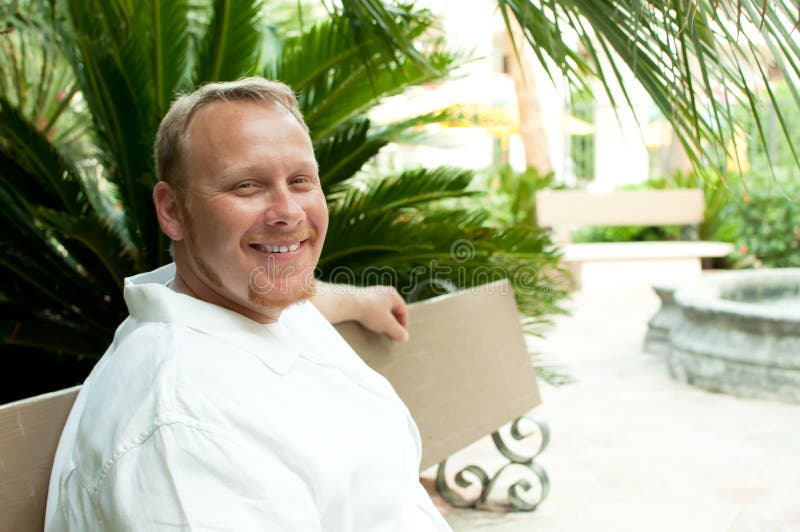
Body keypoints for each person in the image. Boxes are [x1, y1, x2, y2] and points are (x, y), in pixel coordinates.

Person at [45, 77, 451, 531]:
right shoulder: (185, 432)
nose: (289, 212)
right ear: (173, 211)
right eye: (246, 186)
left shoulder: (241, 300)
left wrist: (357, 299)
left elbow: (300, 299)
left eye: (300, 180)